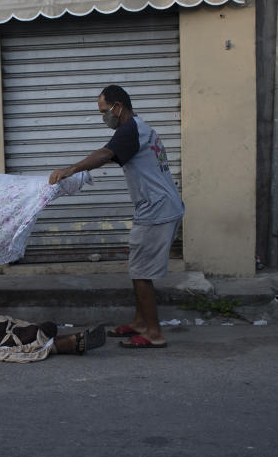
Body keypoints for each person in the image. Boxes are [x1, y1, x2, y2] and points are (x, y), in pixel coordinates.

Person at [48, 85, 184, 349]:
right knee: (137, 268)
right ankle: (139, 322)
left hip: (158, 210)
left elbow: (106, 153)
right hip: (158, 206)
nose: (103, 117)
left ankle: (153, 333)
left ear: (118, 107)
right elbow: (112, 155)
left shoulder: (130, 129)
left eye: (104, 111)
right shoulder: (139, 129)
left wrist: (72, 168)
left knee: (142, 272)